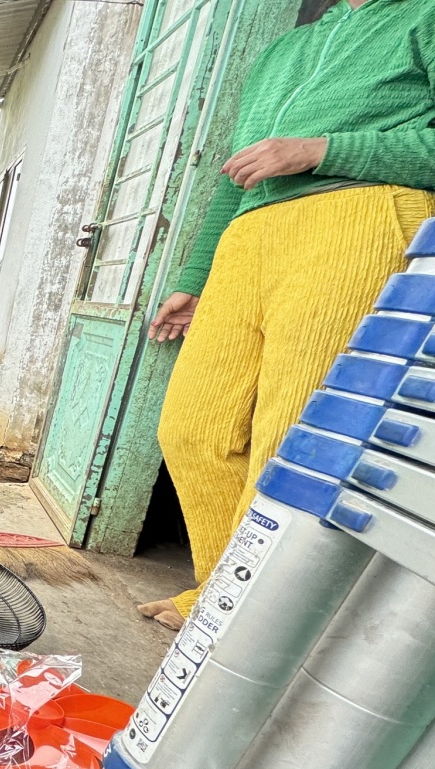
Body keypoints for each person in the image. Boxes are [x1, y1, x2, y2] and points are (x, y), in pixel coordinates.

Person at [139, 0, 435, 631]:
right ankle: (230, 597)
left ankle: (253, 622)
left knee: (292, 439)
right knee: (193, 428)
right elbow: (233, 177)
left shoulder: (423, 18)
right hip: (250, 238)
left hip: (359, 213)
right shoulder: (282, 52)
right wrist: (196, 279)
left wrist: (323, 149)